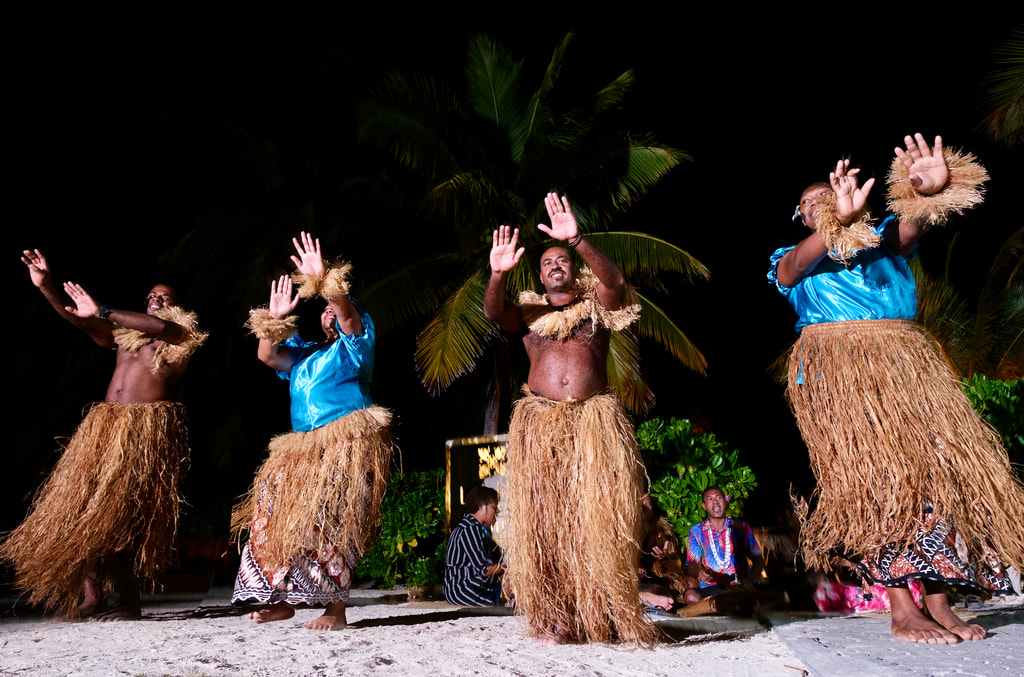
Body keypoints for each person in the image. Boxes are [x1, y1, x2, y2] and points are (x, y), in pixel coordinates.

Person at [768, 133, 1024, 644]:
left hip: (908, 369)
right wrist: (832, 224)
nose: (822, 202)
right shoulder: (793, 257)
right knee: (880, 485)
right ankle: (901, 608)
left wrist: (927, 194)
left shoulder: (882, 239)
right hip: (841, 374)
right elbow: (793, 266)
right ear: (801, 219)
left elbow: (909, 230)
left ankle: (939, 602)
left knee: (935, 480)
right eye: (809, 203)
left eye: (831, 195)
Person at [483, 192, 654, 644]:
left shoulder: (596, 306)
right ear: (539, 275)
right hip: (540, 424)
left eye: (562, 260)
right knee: (548, 521)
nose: (555, 265)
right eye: (547, 263)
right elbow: (492, 311)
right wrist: (499, 273)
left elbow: (615, 282)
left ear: (574, 268)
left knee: (594, 522)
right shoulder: (528, 313)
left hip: (592, 423)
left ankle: (601, 611)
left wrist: (576, 239)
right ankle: (554, 616)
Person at [1, 249, 206, 620]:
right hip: (104, 429)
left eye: (164, 298)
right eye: (151, 297)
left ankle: (128, 600)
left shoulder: (182, 335)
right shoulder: (125, 338)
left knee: (121, 516)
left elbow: (162, 328)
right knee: (83, 509)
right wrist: (47, 286)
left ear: (177, 305)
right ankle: (92, 596)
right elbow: (79, 320)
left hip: (144, 432)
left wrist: (103, 310)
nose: (155, 301)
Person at [231, 232, 392, 631]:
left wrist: (326, 284)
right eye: (322, 309)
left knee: (333, 518)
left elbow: (349, 317)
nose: (329, 313)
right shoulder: (303, 354)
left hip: (345, 442)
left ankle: (335, 610)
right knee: (273, 513)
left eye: (332, 308)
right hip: (301, 449)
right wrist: (273, 319)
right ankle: (280, 600)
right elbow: (267, 354)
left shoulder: (356, 344)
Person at [683, 487, 764, 606]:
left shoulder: (740, 527)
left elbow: (758, 560)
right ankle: (729, 605)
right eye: (710, 499)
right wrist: (700, 572)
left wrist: (750, 579)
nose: (715, 502)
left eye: (719, 498)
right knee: (690, 596)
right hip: (712, 590)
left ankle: (729, 605)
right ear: (704, 506)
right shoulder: (696, 531)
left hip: (739, 587)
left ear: (725, 501)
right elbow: (692, 564)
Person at [443, 485, 503, 606]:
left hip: (455, 589)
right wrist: (509, 568)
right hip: (463, 590)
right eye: (494, 507)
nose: (497, 511)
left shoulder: (467, 527)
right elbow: (485, 570)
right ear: (481, 508)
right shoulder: (471, 530)